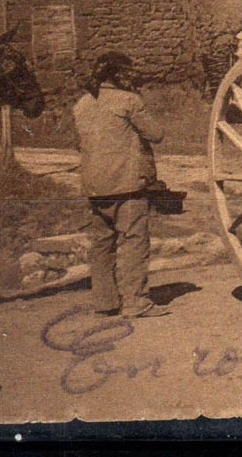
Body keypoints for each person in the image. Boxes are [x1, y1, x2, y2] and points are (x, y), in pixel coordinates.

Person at [72, 52, 170, 319]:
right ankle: (135, 302)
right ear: (119, 75)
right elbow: (156, 134)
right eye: (128, 74)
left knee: (102, 243)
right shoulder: (128, 101)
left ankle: (105, 302)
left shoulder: (82, 104)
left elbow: (79, 143)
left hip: (95, 186)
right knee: (134, 241)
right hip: (127, 186)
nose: (131, 78)